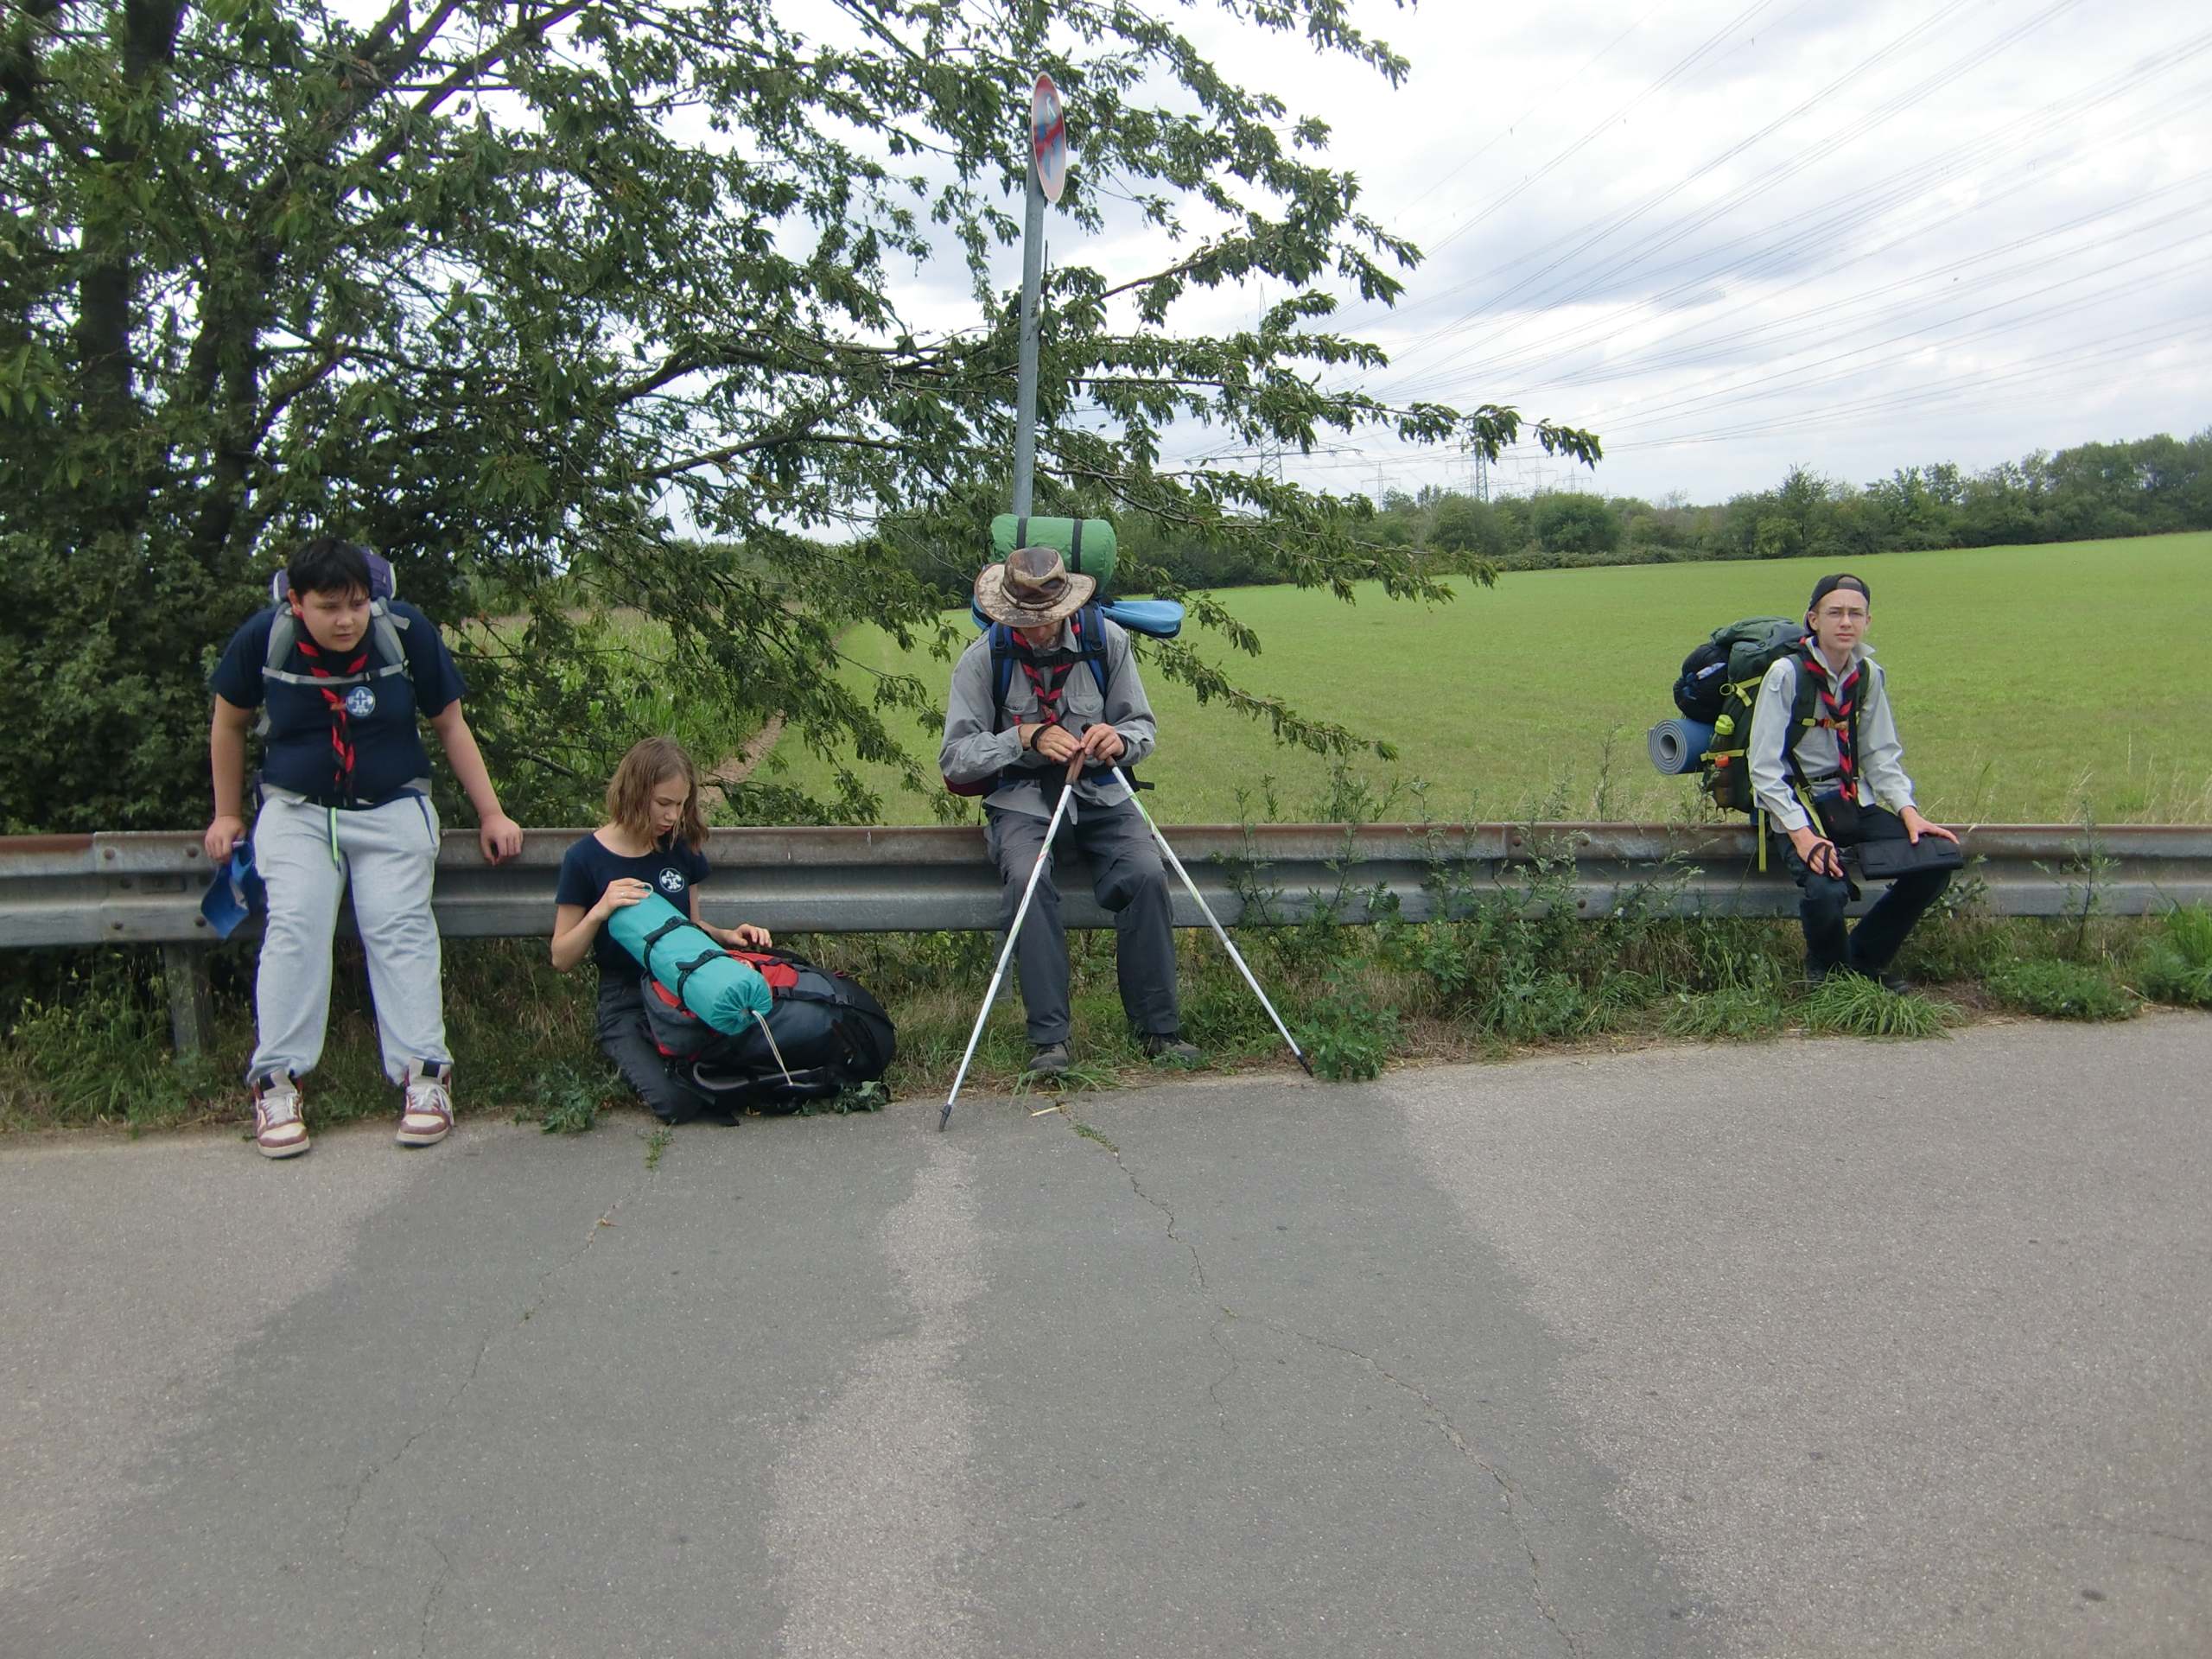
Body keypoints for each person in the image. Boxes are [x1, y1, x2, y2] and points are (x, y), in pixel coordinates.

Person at [205, 537, 524, 1159]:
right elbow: (229, 723)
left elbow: (450, 724)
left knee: (399, 928)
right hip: (298, 812)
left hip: (391, 807)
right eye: (329, 607)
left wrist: (491, 811)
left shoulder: (402, 631)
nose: (347, 620)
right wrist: (226, 813)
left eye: (356, 604)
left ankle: (425, 1077)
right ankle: (276, 1083)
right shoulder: (262, 639)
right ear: (297, 603)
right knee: (295, 928)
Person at [939, 545, 1199, 1077]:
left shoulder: (1110, 643)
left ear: (1067, 606)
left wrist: (1118, 742)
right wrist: (1023, 737)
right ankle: (1050, 1043)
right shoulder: (983, 658)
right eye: (1023, 621)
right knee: (1028, 878)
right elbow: (955, 759)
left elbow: (1142, 728)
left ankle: (1159, 1031)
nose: (1037, 630)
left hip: (1102, 795)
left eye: (1048, 619)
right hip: (1022, 803)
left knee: (1148, 873)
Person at [1748, 572, 1960, 991]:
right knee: (1827, 890)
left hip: (1850, 800)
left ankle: (1863, 960)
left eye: (1855, 613)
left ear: (1867, 622)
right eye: (1835, 612)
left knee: (1935, 864)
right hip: (1795, 804)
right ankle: (1826, 975)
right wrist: (1803, 835)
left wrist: (1908, 812)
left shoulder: (1868, 675)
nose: (1846, 622)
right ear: (1813, 619)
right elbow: (1764, 768)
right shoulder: (1786, 674)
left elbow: (1881, 754)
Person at [550, 736, 774, 1123]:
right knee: (676, 1104)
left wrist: (725, 935)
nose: (673, 816)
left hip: (683, 984)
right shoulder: (584, 859)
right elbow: (561, 957)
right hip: (623, 997)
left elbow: (687, 925)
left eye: (681, 804)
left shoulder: (679, 848)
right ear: (635, 794)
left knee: (754, 1066)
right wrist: (599, 912)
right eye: (664, 804)